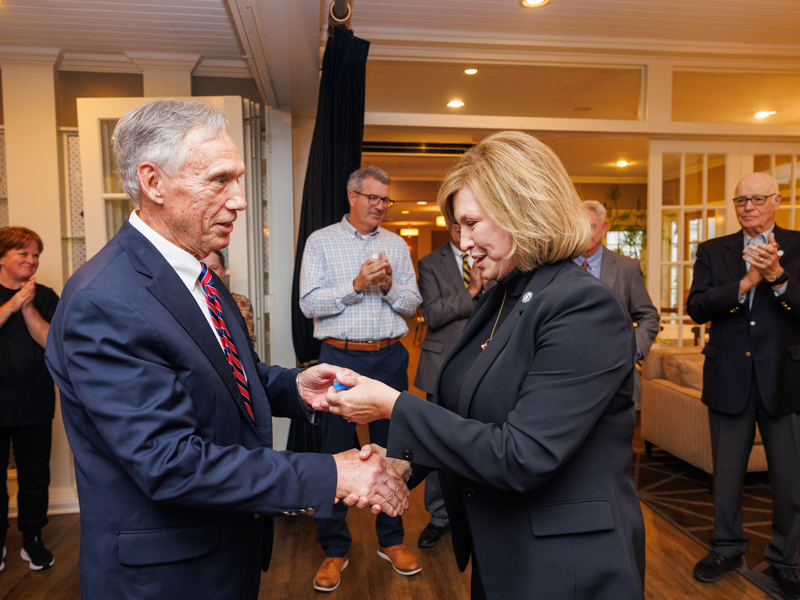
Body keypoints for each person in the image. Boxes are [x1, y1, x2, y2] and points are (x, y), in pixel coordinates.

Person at [44, 100, 409, 600]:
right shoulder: (105, 301)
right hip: (165, 577)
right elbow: (170, 462)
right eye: (219, 180)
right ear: (153, 183)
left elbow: (232, 377)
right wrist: (335, 472)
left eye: (237, 179)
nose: (239, 200)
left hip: (222, 551)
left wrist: (295, 387)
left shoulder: (199, 275)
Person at [320, 131, 646, 600]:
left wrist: (393, 405)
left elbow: (521, 455)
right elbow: (469, 418)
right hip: (506, 548)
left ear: (522, 210)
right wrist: (401, 468)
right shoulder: (502, 294)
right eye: (459, 225)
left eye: (472, 223)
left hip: (567, 565)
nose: (464, 241)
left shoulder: (582, 306)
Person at [300, 165, 423, 591]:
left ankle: (391, 541)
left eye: (386, 200)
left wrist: (388, 286)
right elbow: (308, 302)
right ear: (352, 196)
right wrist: (356, 284)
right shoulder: (321, 242)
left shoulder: (396, 244)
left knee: (395, 452)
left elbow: (411, 303)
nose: (381, 207)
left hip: (389, 359)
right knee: (334, 454)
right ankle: (335, 549)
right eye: (373, 198)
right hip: (339, 361)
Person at [686, 172, 800, 599]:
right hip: (730, 377)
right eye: (740, 201)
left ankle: (786, 559)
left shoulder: (799, 244)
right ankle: (726, 548)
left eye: (756, 199)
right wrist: (745, 284)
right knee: (727, 476)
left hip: (784, 380)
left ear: (777, 200)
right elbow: (696, 307)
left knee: (790, 480)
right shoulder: (714, 250)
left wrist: (777, 278)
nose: (748, 207)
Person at [413, 218, 490, 548]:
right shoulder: (430, 263)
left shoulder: (493, 256)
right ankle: (439, 515)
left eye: (472, 225)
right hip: (440, 365)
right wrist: (472, 291)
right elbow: (431, 314)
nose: (466, 234)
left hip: (485, 363)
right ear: (450, 226)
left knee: (481, 439)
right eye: (460, 226)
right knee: (437, 441)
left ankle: (481, 514)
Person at [0, 227, 59, 572]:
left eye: (35, 254)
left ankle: (33, 539)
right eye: (23, 253)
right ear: (3, 256)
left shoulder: (47, 297)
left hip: (34, 402)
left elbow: (53, 342)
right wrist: (11, 304)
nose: (32, 260)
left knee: (35, 476)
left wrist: (27, 307)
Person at [574, 200, 659, 402]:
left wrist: (633, 351)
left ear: (603, 229)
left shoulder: (626, 268)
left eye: (592, 227)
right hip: (571, 376)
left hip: (617, 379)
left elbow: (649, 316)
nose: (586, 233)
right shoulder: (558, 266)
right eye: (580, 226)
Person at [203, 249, 256, 344]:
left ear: (224, 270)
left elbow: (248, 342)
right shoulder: (192, 301)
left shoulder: (240, 302)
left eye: (214, 268)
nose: (208, 273)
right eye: (204, 268)